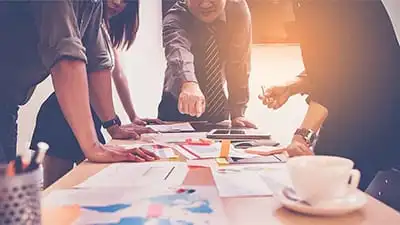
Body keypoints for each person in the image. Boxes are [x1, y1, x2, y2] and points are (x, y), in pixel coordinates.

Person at [260, 0, 400, 191]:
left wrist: (302, 136)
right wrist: (291, 86)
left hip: (375, 121)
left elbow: (336, 81)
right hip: (352, 115)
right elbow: (335, 64)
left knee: (330, 196)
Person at [0, 1, 156, 163]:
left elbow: (97, 63)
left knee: (5, 183)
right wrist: (93, 147)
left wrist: (113, 126)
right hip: (11, 100)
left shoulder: (94, 5)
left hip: (7, 104)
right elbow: (66, 58)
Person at [30, 0, 163, 188]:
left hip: (91, 118)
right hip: (59, 113)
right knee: (56, 189)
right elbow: (67, 58)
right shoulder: (74, 14)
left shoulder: (97, 23)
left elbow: (105, 67)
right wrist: (100, 139)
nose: (117, 2)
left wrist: (119, 122)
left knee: (90, 183)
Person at [158, 0, 256, 128]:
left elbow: (239, 62)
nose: (205, 4)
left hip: (219, 109)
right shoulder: (175, 17)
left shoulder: (237, 9)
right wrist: (188, 84)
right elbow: (177, 50)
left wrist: (237, 112)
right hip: (178, 108)